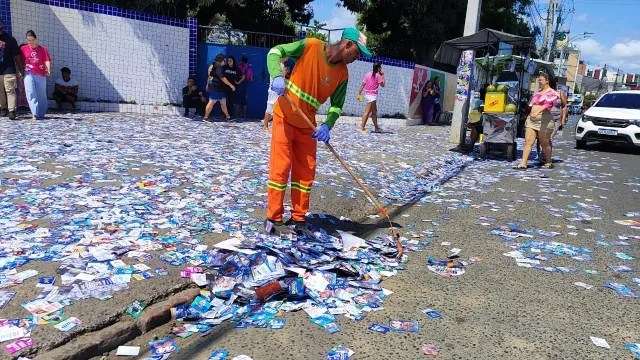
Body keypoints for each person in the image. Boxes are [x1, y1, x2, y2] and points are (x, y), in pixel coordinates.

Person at [264, 27, 370, 235]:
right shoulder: (310, 46)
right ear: (347, 45)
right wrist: (277, 75)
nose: (356, 58)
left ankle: (298, 219)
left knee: (305, 173)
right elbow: (275, 52)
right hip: (285, 116)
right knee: (281, 168)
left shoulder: (342, 74)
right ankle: (273, 219)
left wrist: (327, 125)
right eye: (356, 53)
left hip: (308, 126)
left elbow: (337, 106)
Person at [514, 73, 559, 170]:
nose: (539, 82)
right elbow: (531, 105)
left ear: (547, 80)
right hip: (532, 120)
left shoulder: (552, 93)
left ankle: (548, 161)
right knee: (528, 141)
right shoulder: (538, 93)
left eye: (541, 80)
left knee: (544, 143)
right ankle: (523, 163)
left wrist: (537, 112)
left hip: (545, 121)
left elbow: (547, 105)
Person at [21, 30, 51, 120]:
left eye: (32, 40)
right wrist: (19, 70)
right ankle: (35, 113)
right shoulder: (24, 49)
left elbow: (47, 60)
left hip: (40, 74)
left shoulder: (43, 49)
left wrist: (48, 69)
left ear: (36, 39)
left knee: (41, 94)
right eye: (29, 40)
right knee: (30, 92)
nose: (31, 42)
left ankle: (41, 113)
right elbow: (20, 60)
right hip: (28, 72)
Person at [537, 77, 568, 162]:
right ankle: (542, 156)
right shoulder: (541, 93)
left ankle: (545, 158)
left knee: (548, 138)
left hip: (555, 120)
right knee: (540, 138)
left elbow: (564, 107)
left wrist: (563, 120)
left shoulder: (560, 93)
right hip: (542, 119)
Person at [0, 18, 23, 120]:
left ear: (2, 24)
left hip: (9, 69)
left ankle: (12, 110)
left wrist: (20, 68)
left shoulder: (10, 39)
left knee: (10, 90)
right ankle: (3, 109)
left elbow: (17, 55)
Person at [203, 54, 234, 122]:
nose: (225, 62)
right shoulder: (219, 67)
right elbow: (222, 78)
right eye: (224, 60)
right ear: (221, 60)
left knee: (223, 102)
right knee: (212, 101)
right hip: (216, 87)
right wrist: (230, 85)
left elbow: (209, 76)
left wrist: (207, 84)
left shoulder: (212, 65)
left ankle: (228, 117)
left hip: (217, 86)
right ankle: (205, 117)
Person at [262, 59, 290, 132]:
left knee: (278, 107)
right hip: (274, 89)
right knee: (270, 106)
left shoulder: (282, 65)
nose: (287, 58)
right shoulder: (278, 65)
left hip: (279, 89)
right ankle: (265, 125)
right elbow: (279, 78)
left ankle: (268, 122)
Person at [356, 62, 385, 133]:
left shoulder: (368, 74)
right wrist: (383, 75)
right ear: (378, 68)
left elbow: (363, 84)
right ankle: (362, 128)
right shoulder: (378, 76)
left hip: (367, 95)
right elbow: (383, 85)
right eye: (380, 67)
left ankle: (376, 128)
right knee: (367, 112)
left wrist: (359, 93)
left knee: (374, 112)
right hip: (372, 97)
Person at [465, 87, 486, 152]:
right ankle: (471, 145)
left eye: (478, 108)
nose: (477, 110)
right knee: (475, 127)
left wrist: (473, 125)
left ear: (482, 107)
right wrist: (473, 124)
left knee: (475, 129)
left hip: (489, 129)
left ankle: (471, 147)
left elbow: (482, 123)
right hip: (487, 127)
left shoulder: (485, 112)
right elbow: (481, 121)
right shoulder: (483, 113)